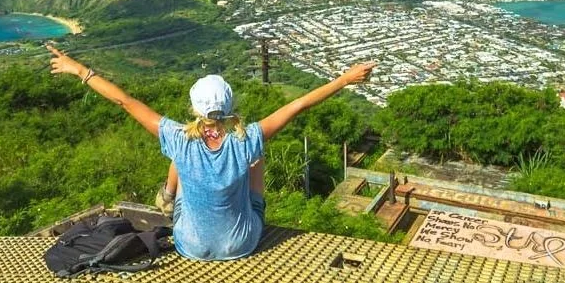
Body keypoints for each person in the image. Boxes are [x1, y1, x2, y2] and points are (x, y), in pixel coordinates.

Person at [46, 44, 376, 261]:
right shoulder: (247, 139)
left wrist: (79, 70)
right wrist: (345, 79)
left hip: (190, 244)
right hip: (240, 244)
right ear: (231, 105)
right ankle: (184, 199)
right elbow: (299, 104)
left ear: (194, 106)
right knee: (256, 157)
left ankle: (167, 194)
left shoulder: (178, 136)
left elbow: (124, 101)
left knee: (181, 150)